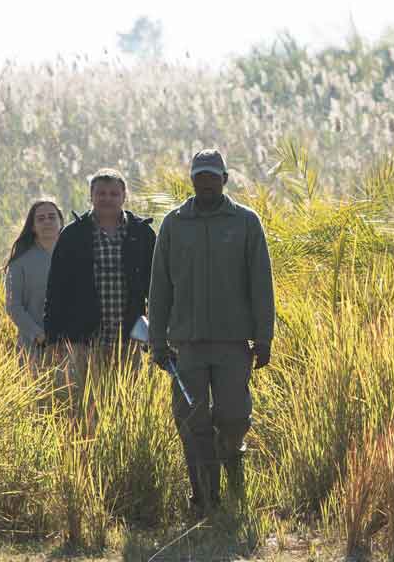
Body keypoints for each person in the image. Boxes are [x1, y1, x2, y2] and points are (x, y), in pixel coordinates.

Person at [148, 149, 275, 514]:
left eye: (212, 176)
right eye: (199, 176)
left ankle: (234, 479)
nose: (205, 182)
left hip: (234, 343)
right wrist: (158, 341)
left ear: (225, 179)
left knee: (234, 417)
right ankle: (205, 498)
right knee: (192, 421)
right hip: (186, 347)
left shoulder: (246, 222)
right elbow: (160, 289)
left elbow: (261, 284)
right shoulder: (174, 224)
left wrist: (264, 337)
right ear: (192, 180)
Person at [43, 168, 157, 375]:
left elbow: (157, 286)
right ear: (91, 196)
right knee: (85, 401)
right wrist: (53, 338)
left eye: (114, 194)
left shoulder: (142, 233)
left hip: (130, 337)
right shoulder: (73, 234)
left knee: (126, 400)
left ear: (124, 196)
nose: (107, 199)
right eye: (101, 193)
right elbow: (56, 289)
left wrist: (159, 329)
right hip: (83, 338)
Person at [4, 199, 64, 367]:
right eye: (41, 218)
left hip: (70, 349)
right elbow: (13, 306)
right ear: (33, 226)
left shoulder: (73, 255)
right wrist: (39, 335)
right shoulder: (20, 262)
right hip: (33, 349)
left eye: (52, 217)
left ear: (60, 221)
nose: (47, 221)